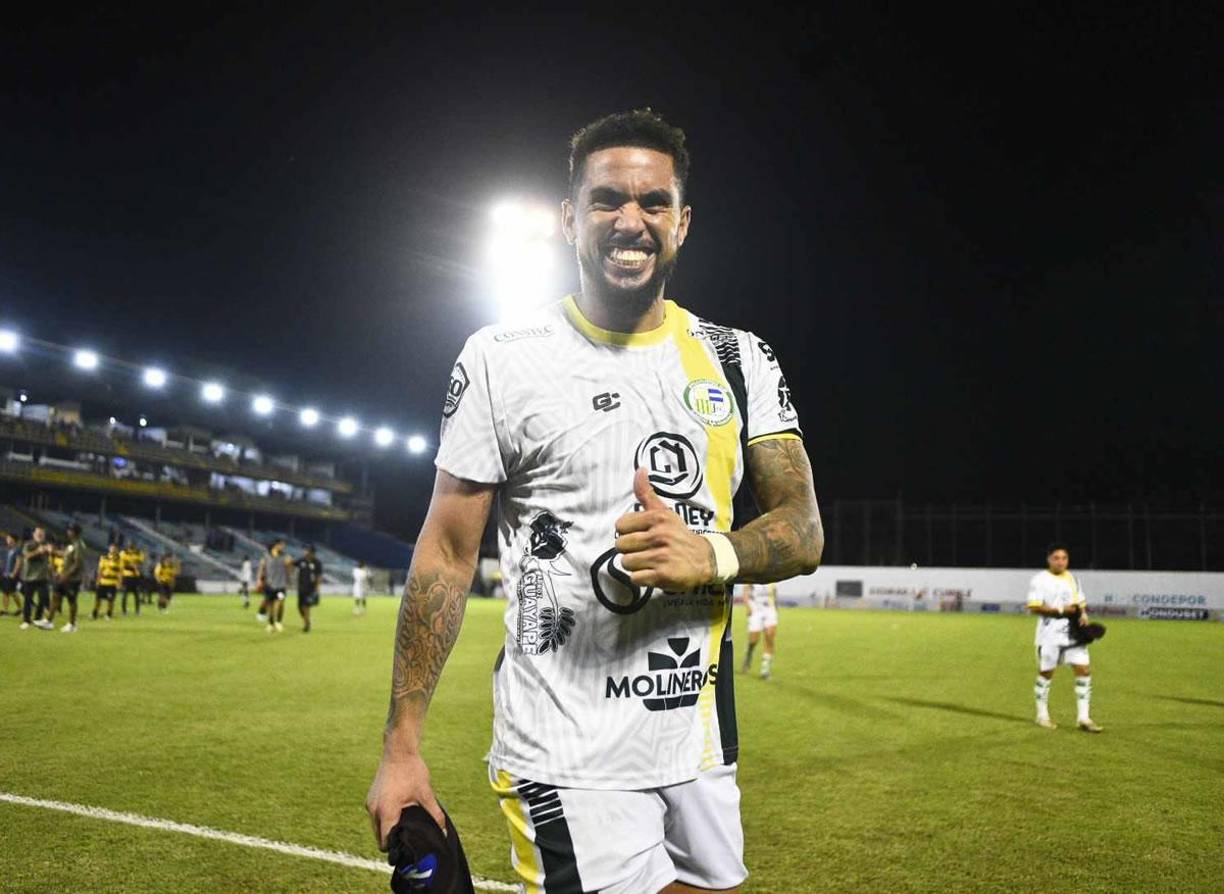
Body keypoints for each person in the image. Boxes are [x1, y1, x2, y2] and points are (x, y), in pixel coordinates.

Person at [365, 109, 824, 893]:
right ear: (569, 218)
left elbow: (802, 528)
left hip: (701, 744)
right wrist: (401, 746)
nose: (630, 221)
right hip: (564, 750)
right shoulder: (501, 359)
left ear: (682, 223)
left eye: (652, 204)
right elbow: (446, 552)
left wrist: (709, 552)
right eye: (608, 200)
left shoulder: (739, 361)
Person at [1027, 543, 1102, 733]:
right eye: (1057, 558)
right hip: (1049, 635)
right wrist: (1061, 610)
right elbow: (1034, 607)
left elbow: (1079, 602)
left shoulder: (1073, 578)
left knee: (1084, 671)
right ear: (1049, 559)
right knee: (1046, 674)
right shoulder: (1039, 580)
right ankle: (1042, 715)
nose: (1061, 562)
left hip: (1073, 635)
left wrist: (1083, 614)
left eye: (1064, 558)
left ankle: (1084, 718)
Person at [45, 523, 85, 632]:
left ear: (75, 532)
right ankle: (49, 621)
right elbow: (65, 554)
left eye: (70, 530)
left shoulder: (79, 545)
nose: (68, 532)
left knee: (71, 600)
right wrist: (54, 552)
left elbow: (77, 564)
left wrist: (66, 575)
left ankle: (72, 625)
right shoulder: (72, 544)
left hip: (72, 578)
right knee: (55, 596)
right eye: (68, 530)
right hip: (64, 577)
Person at [739, 582, 779, 679]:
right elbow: (745, 589)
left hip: (770, 609)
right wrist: (748, 606)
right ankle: (749, 654)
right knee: (753, 640)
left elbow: (775, 592)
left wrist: (776, 608)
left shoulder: (774, 573)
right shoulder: (755, 571)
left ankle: (765, 670)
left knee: (770, 637)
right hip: (755, 609)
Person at [22, 526, 55, 630]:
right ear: (34, 534)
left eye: (42, 533)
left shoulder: (46, 545)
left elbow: (50, 559)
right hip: (30, 576)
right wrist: (38, 551)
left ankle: (37, 618)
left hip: (42, 577)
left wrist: (51, 552)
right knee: (28, 599)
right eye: (38, 533)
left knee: (43, 598)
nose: (40, 535)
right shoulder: (29, 544)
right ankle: (26, 620)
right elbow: (26, 556)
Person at [257, 539, 292, 633]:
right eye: (281, 545)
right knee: (271, 606)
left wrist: (289, 580)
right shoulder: (266, 556)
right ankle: (271, 624)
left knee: (280, 602)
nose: (283, 547)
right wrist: (259, 580)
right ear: (276, 545)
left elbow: (289, 570)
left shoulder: (285, 557)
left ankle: (279, 622)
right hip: (270, 585)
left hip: (281, 586)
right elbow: (262, 569)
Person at [295, 544, 323, 633]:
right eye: (305, 550)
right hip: (301, 588)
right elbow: (292, 564)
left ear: (312, 553)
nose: (305, 552)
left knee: (306, 606)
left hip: (311, 588)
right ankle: (307, 620)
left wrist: (318, 587)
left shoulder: (317, 563)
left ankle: (307, 625)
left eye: (307, 550)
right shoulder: (301, 561)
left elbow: (319, 575)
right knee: (299, 607)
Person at [93, 543, 121, 620]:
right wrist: (98, 581)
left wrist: (119, 583)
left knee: (110, 600)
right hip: (103, 581)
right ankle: (95, 613)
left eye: (114, 548)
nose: (113, 549)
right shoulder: (104, 558)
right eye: (112, 548)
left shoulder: (119, 560)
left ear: (117, 550)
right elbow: (100, 570)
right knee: (98, 599)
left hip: (112, 582)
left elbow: (120, 573)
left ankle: (109, 614)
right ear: (109, 549)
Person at [120, 540, 146, 616]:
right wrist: (132, 566)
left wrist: (134, 566)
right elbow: (122, 565)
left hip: (135, 576)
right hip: (127, 576)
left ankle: (137, 611)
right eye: (130, 544)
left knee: (137, 594)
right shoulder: (124, 553)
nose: (131, 546)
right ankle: (124, 611)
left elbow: (141, 563)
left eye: (132, 545)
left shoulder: (138, 553)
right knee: (125, 595)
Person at [2, 532, 23, 617]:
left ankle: (5, 611)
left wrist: (14, 573)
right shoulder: (9, 550)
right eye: (7, 538)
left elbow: (19, 562)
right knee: (12, 592)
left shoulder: (17, 550)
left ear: (13, 540)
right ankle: (20, 609)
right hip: (6, 574)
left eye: (9, 538)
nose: (7, 540)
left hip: (12, 575)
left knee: (6, 592)